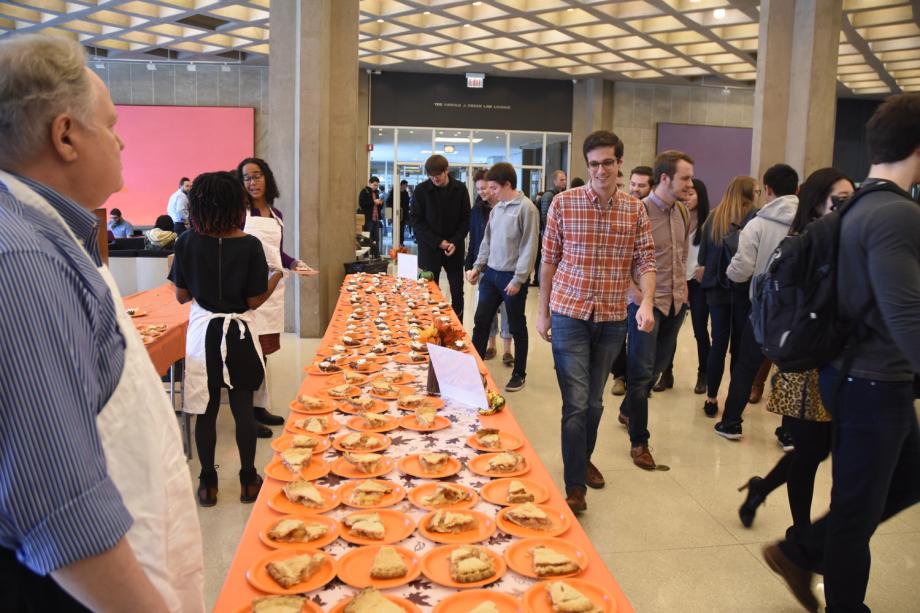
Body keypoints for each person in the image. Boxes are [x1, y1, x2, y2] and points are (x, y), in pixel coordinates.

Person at [0, 34, 203, 611]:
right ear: (65, 135)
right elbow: (59, 505)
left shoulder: (44, 232)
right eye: (110, 125)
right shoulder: (22, 256)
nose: (118, 141)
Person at [764, 93, 920, 613]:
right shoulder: (896, 215)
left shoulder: (860, 205)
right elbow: (905, 315)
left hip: (859, 376)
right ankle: (834, 591)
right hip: (872, 381)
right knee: (856, 508)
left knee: (897, 482)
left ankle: (802, 549)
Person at [538, 130, 657, 512]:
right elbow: (550, 261)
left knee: (594, 403)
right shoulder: (563, 203)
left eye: (608, 162)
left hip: (610, 318)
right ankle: (576, 487)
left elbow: (646, 261)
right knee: (575, 402)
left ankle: (581, 457)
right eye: (593, 164)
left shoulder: (634, 209)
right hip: (569, 312)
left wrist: (647, 302)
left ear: (619, 163)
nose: (601, 170)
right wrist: (542, 311)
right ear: (586, 166)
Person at [737, 168, 854, 530]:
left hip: (840, 364)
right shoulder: (804, 245)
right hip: (806, 363)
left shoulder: (848, 242)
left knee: (817, 450)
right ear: (817, 203)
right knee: (809, 452)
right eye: (840, 199)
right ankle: (801, 533)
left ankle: (761, 488)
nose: (848, 207)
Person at [170, 171, 283, 509]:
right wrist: (275, 278)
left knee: (204, 413)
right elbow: (252, 301)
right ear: (237, 203)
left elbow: (181, 296)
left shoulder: (186, 242)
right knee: (242, 410)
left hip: (204, 335)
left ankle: (208, 482)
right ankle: (249, 479)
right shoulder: (249, 244)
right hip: (240, 335)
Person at [617, 150, 693, 469]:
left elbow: (681, 254)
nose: (690, 184)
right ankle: (640, 442)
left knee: (659, 366)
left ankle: (626, 409)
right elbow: (621, 263)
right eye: (685, 178)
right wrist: (636, 297)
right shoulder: (638, 213)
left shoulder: (683, 213)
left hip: (676, 301)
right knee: (641, 372)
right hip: (647, 304)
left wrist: (685, 288)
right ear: (665, 179)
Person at [715, 163, 799, 440]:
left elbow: (742, 269)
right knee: (791, 369)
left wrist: (729, 274)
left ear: (768, 190)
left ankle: (731, 423)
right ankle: (788, 433)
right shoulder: (809, 222)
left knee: (746, 366)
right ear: (797, 190)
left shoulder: (758, 224)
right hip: (798, 311)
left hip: (764, 308)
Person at [237, 157, 316, 434]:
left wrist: (295, 264)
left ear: (266, 178)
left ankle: (259, 407)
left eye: (256, 176)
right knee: (248, 355)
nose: (252, 182)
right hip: (247, 292)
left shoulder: (276, 214)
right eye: (246, 178)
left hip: (272, 290)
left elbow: (277, 253)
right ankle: (246, 416)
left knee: (264, 354)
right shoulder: (239, 214)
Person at [468, 162, 540, 392]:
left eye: (493, 187)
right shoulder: (497, 208)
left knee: (517, 325)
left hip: (511, 277)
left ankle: (519, 373)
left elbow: (530, 246)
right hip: (491, 274)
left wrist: (519, 279)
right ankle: (474, 369)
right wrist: (478, 266)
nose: (489, 192)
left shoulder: (527, 209)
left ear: (507, 184)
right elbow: (487, 241)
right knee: (481, 321)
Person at [696, 175, 759, 417]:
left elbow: (702, 258)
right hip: (744, 290)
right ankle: (734, 401)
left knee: (718, 344)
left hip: (716, 288)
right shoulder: (756, 217)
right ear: (749, 193)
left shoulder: (714, 216)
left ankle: (711, 399)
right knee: (740, 348)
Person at [611, 164, 657, 396]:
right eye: (633, 184)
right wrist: (631, 288)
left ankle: (639, 382)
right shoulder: (624, 210)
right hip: (623, 288)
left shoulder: (658, 213)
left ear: (652, 187)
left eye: (642, 185)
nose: (636, 189)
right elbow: (615, 256)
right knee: (620, 336)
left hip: (650, 289)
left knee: (643, 342)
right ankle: (620, 376)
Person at [410, 154, 471, 318]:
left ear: (446, 171)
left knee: (457, 292)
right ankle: (431, 328)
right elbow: (416, 221)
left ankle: (456, 333)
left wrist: (453, 242)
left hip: (454, 249)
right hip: (430, 249)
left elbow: (466, 219)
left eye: (438, 175)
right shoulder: (421, 190)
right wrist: (439, 242)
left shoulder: (460, 189)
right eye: (431, 175)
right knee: (429, 292)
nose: (434, 179)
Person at [465, 169, 512, 362]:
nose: (482, 192)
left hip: (506, 266)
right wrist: (470, 266)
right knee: (486, 311)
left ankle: (508, 349)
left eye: (485, 188)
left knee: (508, 310)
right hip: (484, 266)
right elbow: (474, 240)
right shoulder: (477, 210)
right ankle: (491, 345)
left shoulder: (507, 207)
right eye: (478, 189)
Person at [536, 170, 567, 288]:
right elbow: (545, 216)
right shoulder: (549, 196)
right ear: (554, 181)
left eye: (565, 179)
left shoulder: (559, 195)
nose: (564, 182)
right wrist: (548, 234)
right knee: (546, 259)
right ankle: (541, 281)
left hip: (550, 233)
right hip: (546, 233)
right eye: (561, 179)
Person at [358, 175, 383, 248]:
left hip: (376, 218)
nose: (376, 187)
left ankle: (376, 255)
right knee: (367, 237)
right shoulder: (364, 191)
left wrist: (380, 203)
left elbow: (378, 207)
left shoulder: (377, 193)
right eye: (374, 185)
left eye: (377, 185)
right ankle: (367, 256)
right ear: (369, 183)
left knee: (376, 238)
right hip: (368, 218)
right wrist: (374, 202)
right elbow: (362, 204)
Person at [387, 179, 411, 244]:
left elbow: (407, 204)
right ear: (401, 185)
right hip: (395, 213)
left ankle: (401, 241)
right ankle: (394, 241)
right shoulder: (394, 192)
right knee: (395, 228)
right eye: (405, 185)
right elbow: (388, 203)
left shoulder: (406, 193)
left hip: (403, 214)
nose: (406, 187)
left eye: (406, 186)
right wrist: (388, 216)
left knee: (402, 228)